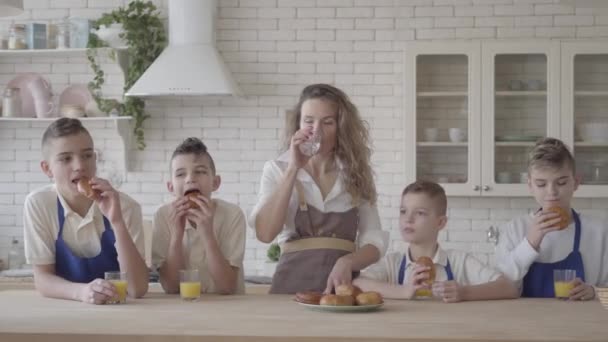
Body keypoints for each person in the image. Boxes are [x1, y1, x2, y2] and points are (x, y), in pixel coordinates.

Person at [248, 83, 387, 294]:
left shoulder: (356, 173)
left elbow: (374, 241)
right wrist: (294, 167)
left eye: (328, 122)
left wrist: (348, 261)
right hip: (289, 290)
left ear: (341, 127)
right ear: (298, 124)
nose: (317, 131)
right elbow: (265, 233)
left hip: (342, 292)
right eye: (309, 121)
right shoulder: (277, 169)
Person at [24, 118, 148, 304]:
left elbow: (137, 289)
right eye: (66, 158)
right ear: (47, 169)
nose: (80, 166)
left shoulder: (127, 207)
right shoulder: (39, 204)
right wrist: (82, 292)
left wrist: (117, 222)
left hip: (120, 312)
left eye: (87, 155)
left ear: (95, 159)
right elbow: (42, 280)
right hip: (63, 313)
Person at [354, 180, 519, 302]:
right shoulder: (392, 264)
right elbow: (358, 283)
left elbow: (509, 287)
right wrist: (404, 291)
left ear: (440, 223)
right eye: (403, 211)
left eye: (420, 213)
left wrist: (464, 293)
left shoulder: (459, 262)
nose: (408, 219)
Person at [496, 137, 608, 300]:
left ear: (576, 182)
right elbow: (501, 285)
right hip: (526, 324)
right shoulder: (515, 229)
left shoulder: (600, 231)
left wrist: (595, 292)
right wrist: (530, 243)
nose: (552, 192)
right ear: (530, 186)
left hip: (583, 323)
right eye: (541, 184)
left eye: (561, 183)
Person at [152, 138, 245, 294]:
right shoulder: (162, 216)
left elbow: (227, 287)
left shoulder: (232, 215)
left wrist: (207, 233)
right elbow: (171, 287)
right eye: (181, 174)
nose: (190, 179)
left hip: (227, 310)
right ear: (171, 187)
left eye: (200, 171)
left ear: (215, 183)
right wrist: (177, 234)